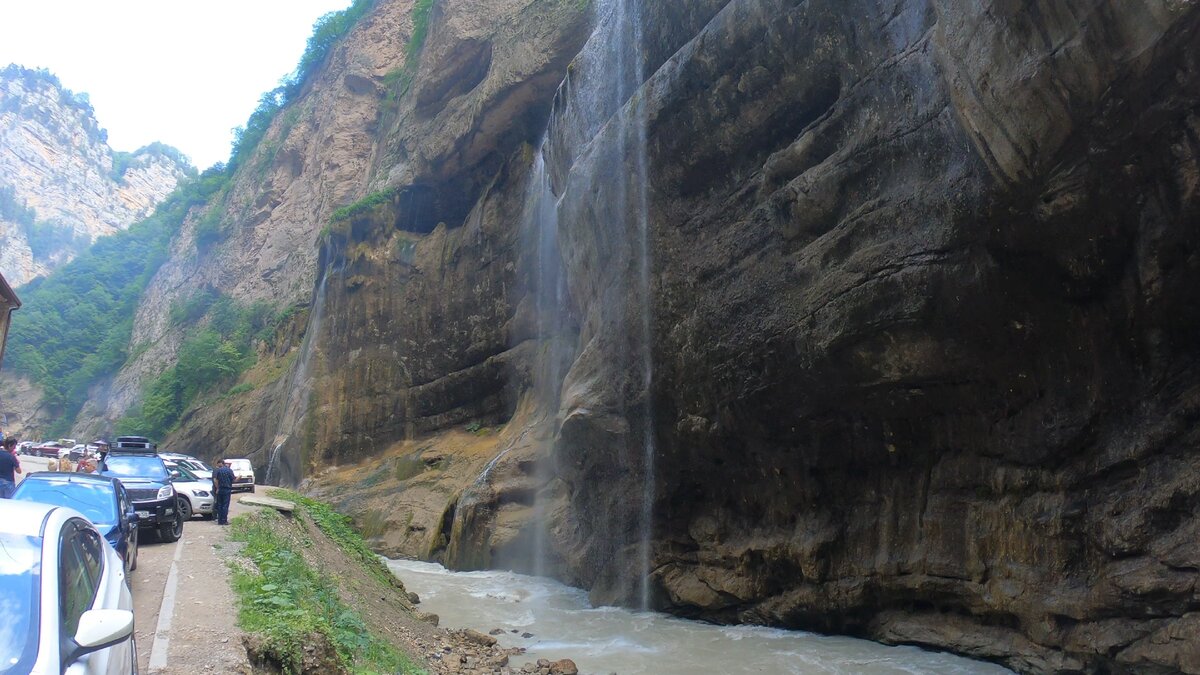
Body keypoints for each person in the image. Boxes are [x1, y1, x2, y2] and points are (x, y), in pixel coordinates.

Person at [211, 459, 235, 525]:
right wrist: (239, 477)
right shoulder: (229, 471)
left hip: (220, 489)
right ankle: (224, 520)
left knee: (220, 505)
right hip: (227, 489)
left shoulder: (218, 470)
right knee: (225, 505)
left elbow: (215, 480)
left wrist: (217, 488)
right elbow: (233, 480)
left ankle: (219, 520)